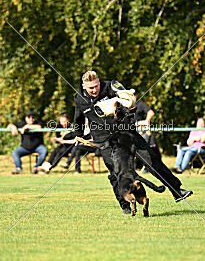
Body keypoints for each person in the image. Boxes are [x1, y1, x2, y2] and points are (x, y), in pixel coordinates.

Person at [70, 70, 193, 214]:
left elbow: (128, 98)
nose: (95, 90)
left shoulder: (111, 86)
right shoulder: (79, 99)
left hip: (126, 133)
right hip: (105, 141)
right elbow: (78, 120)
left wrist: (121, 101)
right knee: (116, 174)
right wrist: (77, 136)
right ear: (84, 86)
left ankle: (177, 191)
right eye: (91, 87)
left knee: (152, 161)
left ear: (99, 82)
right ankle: (125, 206)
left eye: (96, 86)